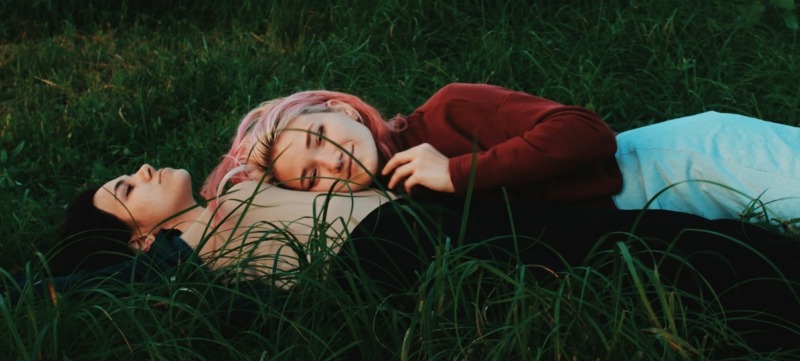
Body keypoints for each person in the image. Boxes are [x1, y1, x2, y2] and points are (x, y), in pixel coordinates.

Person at [34, 163, 800, 353]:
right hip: (392, 253)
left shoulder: (231, 181)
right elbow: (75, 291)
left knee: (647, 234)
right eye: (125, 189)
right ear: (137, 237)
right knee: (644, 258)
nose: (140, 170)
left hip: (442, 218)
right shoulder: (177, 252)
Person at [202, 83, 800, 222]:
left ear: (342, 110)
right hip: (657, 217)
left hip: (679, 162)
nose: (331, 161)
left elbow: (588, 132)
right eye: (310, 179)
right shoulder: (390, 204)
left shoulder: (448, 111)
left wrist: (458, 172)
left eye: (318, 137)